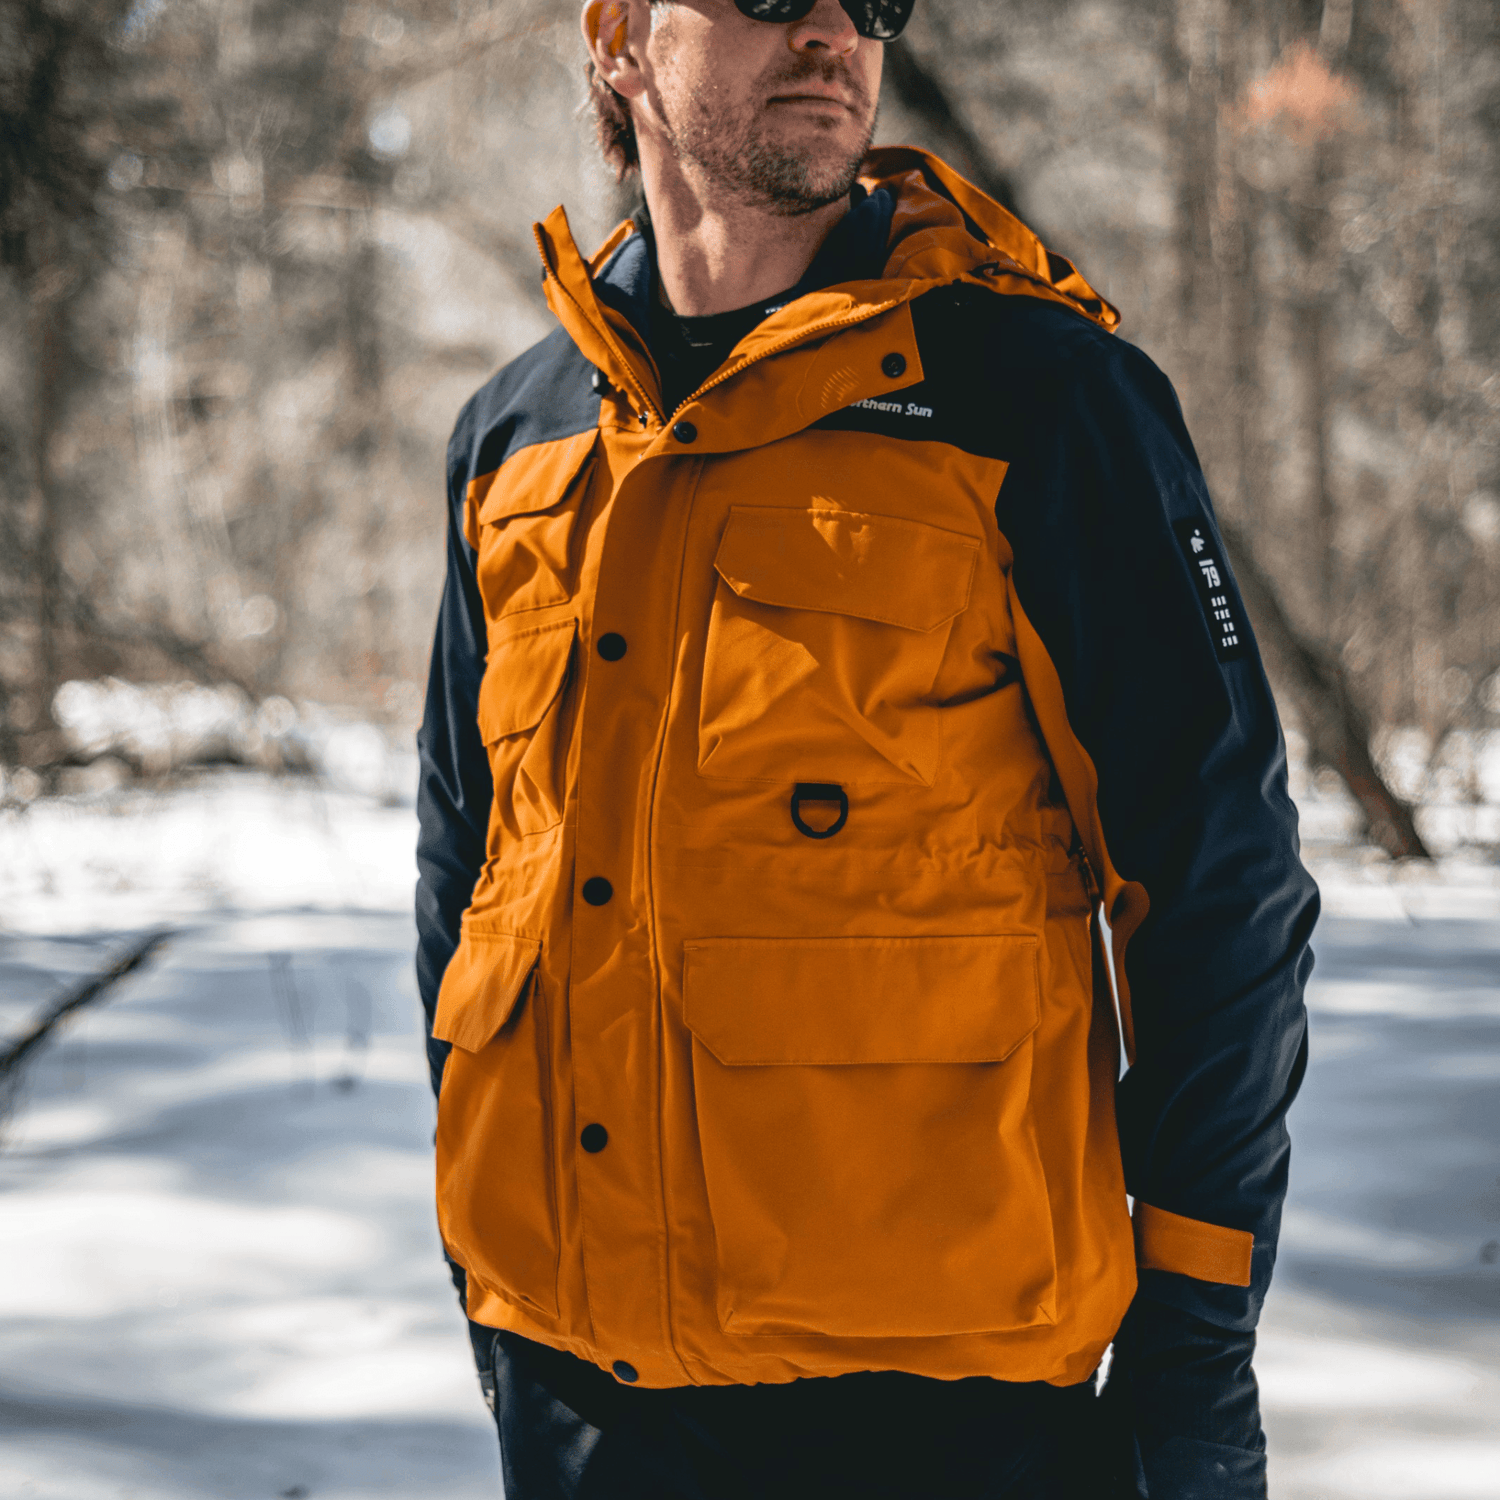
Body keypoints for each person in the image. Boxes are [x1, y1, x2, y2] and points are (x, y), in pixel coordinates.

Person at [414, 2, 1318, 1495]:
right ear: (622, 38)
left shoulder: (1036, 398)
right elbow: (468, 893)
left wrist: (1193, 1374)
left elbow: (1221, 895)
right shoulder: (518, 441)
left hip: (942, 1415)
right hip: (583, 1402)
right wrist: (496, 1300)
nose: (832, 28)